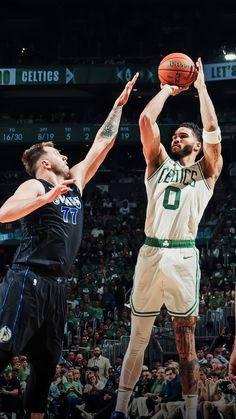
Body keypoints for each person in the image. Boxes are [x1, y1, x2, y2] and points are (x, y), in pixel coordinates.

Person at [0, 72, 138, 419]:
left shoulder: (74, 183)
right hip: (28, 280)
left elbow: (102, 144)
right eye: (57, 152)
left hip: (58, 288)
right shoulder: (35, 186)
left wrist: (118, 106)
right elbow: (4, 214)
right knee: (1, 351)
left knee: (46, 369)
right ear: (45, 163)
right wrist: (46, 198)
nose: (64, 154)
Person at [111, 57, 223, 419]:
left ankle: (191, 414)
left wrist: (201, 87)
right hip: (151, 251)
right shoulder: (157, 163)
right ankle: (119, 410)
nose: (176, 137)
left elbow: (212, 129)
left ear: (195, 143)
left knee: (185, 344)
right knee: (137, 339)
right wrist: (166, 90)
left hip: (183, 257)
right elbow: (146, 121)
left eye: (183, 135)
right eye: (175, 135)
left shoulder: (206, 170)